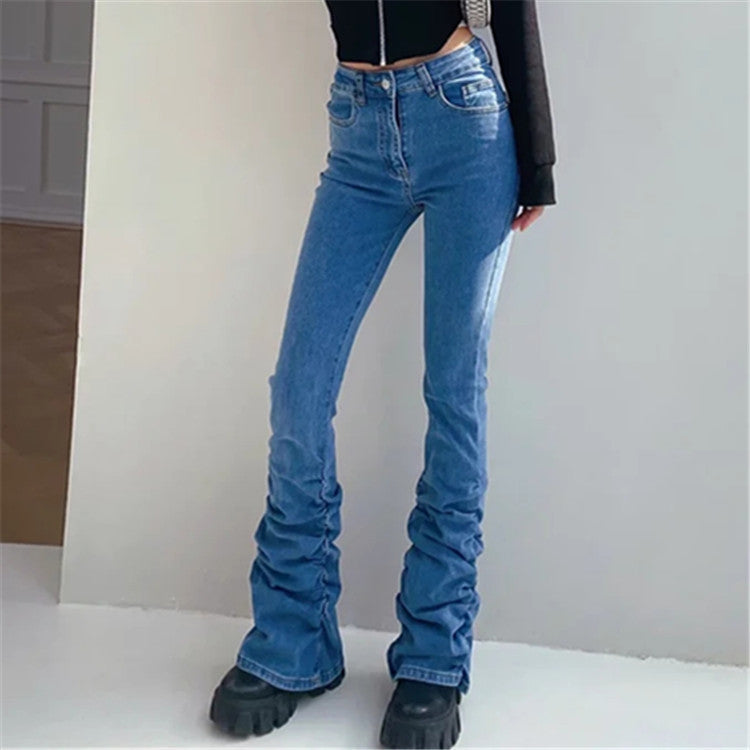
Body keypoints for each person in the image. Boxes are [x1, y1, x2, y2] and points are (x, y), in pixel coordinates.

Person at [210, 1, 556, 747]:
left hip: (463, 116)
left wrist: (539, 160)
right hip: (357, 125)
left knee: (453, 393)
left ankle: (434, 653)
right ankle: (293, 641)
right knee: (299, 390)